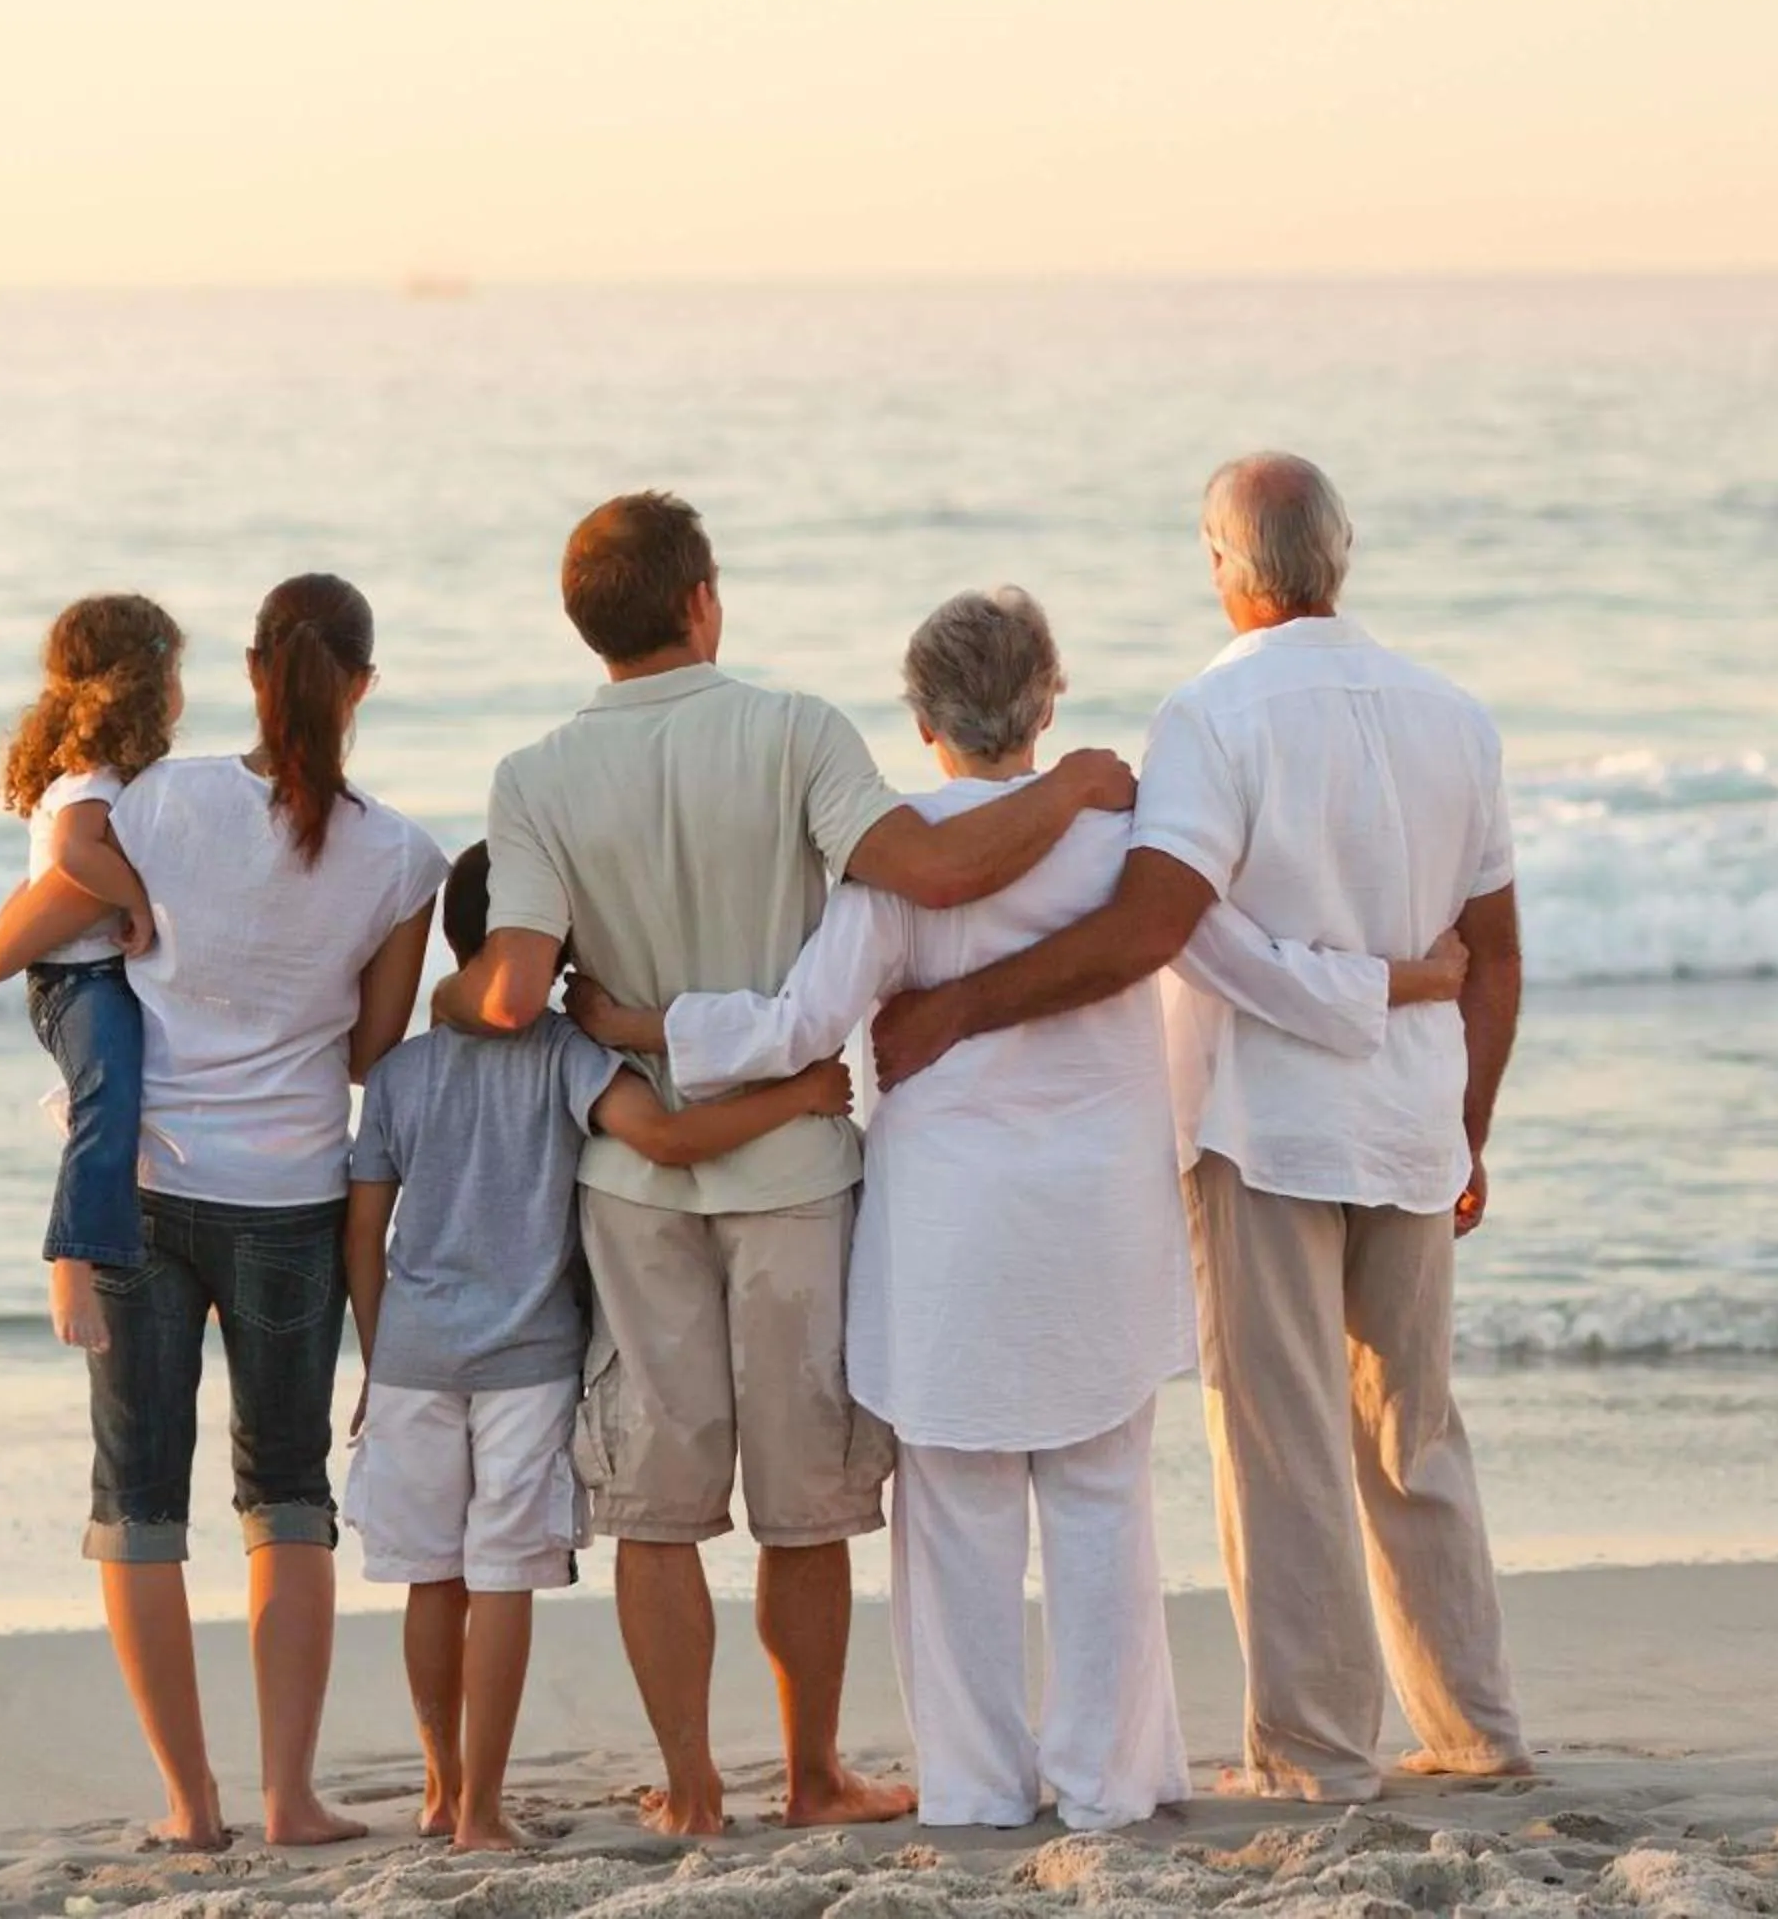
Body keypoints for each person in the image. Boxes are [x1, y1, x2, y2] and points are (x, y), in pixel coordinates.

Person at [573, 587, 1465, 1828]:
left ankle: (981, 1789)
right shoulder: (1123, 839)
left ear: (923, 717)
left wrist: (640, 1025)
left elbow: (792, 1029)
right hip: (1100, 1209)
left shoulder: (896, 862)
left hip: (951, 1224)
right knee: (1104, 1503)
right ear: (1049, 702)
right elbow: (1244, 968)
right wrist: (1405, 983)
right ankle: (1110, 1785)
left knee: (956, 1519)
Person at [430, 492, 1136, 1836]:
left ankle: (694, 1789)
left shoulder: (531, 777)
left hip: (634, 1183)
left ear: (586, 624)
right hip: (798, 1169)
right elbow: (926, 870)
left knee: (656, 1498)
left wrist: (453, 1010)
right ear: (703, 600)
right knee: (802, 1500)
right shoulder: (795, 727)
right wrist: (1077, 784)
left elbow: (516, 988)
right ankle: (812, 1775)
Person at [871, 455, 1533, 1804]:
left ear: (1228, 568)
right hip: (1411, 1120)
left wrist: (958, 1010)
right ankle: (1474, 1725)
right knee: (1414, 1430)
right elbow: (1500, 951)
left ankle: (1316, 1749)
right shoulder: (1455, 714)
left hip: (1270, 1123)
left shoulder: (1213, 716)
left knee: (1281, 1434)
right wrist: (1470, 1123)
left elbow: (1153, 922)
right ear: (1336, 557)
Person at [0, 574, 449, 1850]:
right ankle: (290, 1800)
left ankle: (191, 1809)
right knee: (285, 1495)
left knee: (138, 1501)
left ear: (250, 673)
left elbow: (57, 927)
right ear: (360, 687)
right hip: (290, 1195)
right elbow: (370, 1050)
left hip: (140, 1187)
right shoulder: (403, 858)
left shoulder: (159, 798)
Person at [342, 842, 861, 1852]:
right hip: (527, 1361)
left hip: (411, 1359)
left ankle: (443, 1791)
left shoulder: (400, 1075)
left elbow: (365, 1234)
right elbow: (663, 1140)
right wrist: (795, 1100)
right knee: (498, 1577)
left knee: (431, 1579)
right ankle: (484, 1816)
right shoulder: (568, 1057)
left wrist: (374, 1354)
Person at [0, 594, 187, 1354]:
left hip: (98, 974)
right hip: (78, 979)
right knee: (112, 1095)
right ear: (145, 684)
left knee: (151, 1103)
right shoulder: (92, 781)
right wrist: (139, 903)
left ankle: (184, 1258)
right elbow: (72, 857)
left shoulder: (110, 776)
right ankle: (72, 1257)